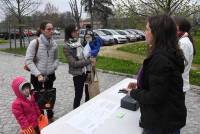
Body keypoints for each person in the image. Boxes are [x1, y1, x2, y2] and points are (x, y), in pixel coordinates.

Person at [126, 15, 186, 134]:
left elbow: (155, 96)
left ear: (157, 33)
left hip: (161, 123)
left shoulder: (160, 59)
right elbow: (162, 85)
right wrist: (140, 84)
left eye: (147, 29)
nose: (145, 32)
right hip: (169, 118)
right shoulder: (168, 53)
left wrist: (133, 92)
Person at [25, 22, 59, 122]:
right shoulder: (35, 43)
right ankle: (41, 119)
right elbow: (28, 60)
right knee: (39, 99)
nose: (51, 31)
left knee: (50, 97)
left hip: (50, 76)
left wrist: (54, 67)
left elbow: (56, 59)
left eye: (52, 29)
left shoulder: (54, 44)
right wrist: (38, 74)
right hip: (37, 77)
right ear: (42, 30)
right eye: (49, 29)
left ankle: (50, 116)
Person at [64, 24, 94, 109]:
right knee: (78, 95)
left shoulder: (80, 42)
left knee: (88, 93)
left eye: (77, 30)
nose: (77, 32)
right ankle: (75, 112)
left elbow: (86, 54)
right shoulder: (67, 46)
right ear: (70, 33)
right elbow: (73, 63)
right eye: (75, 31)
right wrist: (88, 61)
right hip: (78, 74)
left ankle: (87, 109)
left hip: (86, 71)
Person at [173, 16, 195, 92]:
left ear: (177, 27)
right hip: (177, 85)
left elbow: (180, 65)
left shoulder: (183, 43)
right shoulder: (181, 40)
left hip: (179, 86)